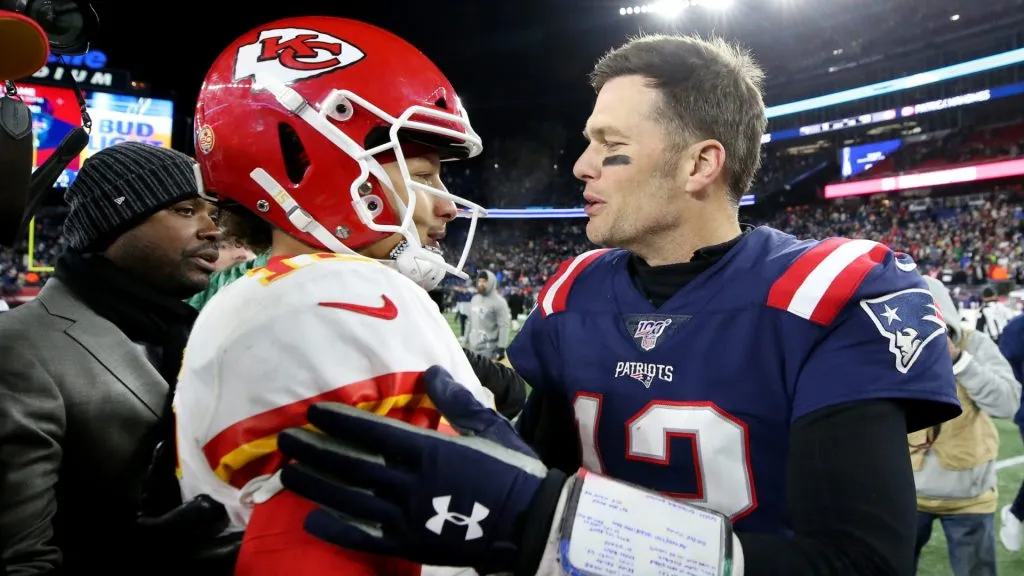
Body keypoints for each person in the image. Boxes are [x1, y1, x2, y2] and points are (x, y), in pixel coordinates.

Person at [275, 34, 961, 576]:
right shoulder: (574, 288)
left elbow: (861, 562)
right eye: (586, 142)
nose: (580, 166)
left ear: (700, 166)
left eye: (611, 147)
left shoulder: (832, 290)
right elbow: (536, 463)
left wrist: (552, 523)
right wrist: (500, 396)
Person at [173, 16, 496, 576]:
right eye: (421, 172)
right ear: (307, 162)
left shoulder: (271, 294)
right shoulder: (335, 297)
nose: (445, 204)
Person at [0, 142, 232, 574]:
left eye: (212, 214)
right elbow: (20, 561)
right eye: (185, 210)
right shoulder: (18, 345)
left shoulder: (201, 333)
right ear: (114, 225)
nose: (212, 229)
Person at [912, 276, 1020, 575]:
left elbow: (1008, 403)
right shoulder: (891, 348)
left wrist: (959, 361)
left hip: (968, 496)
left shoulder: (974, 343)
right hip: (905, 492)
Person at [465, 270, 511, 361]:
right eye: (479, 281)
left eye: (484, 281)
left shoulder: (499, 302)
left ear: (491, 282)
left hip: (489, 350)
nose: (481, 284)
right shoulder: (474, 299)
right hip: (472, 348)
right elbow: (469, 322)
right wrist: (465, 340)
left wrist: (501, 347)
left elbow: (504, 326)